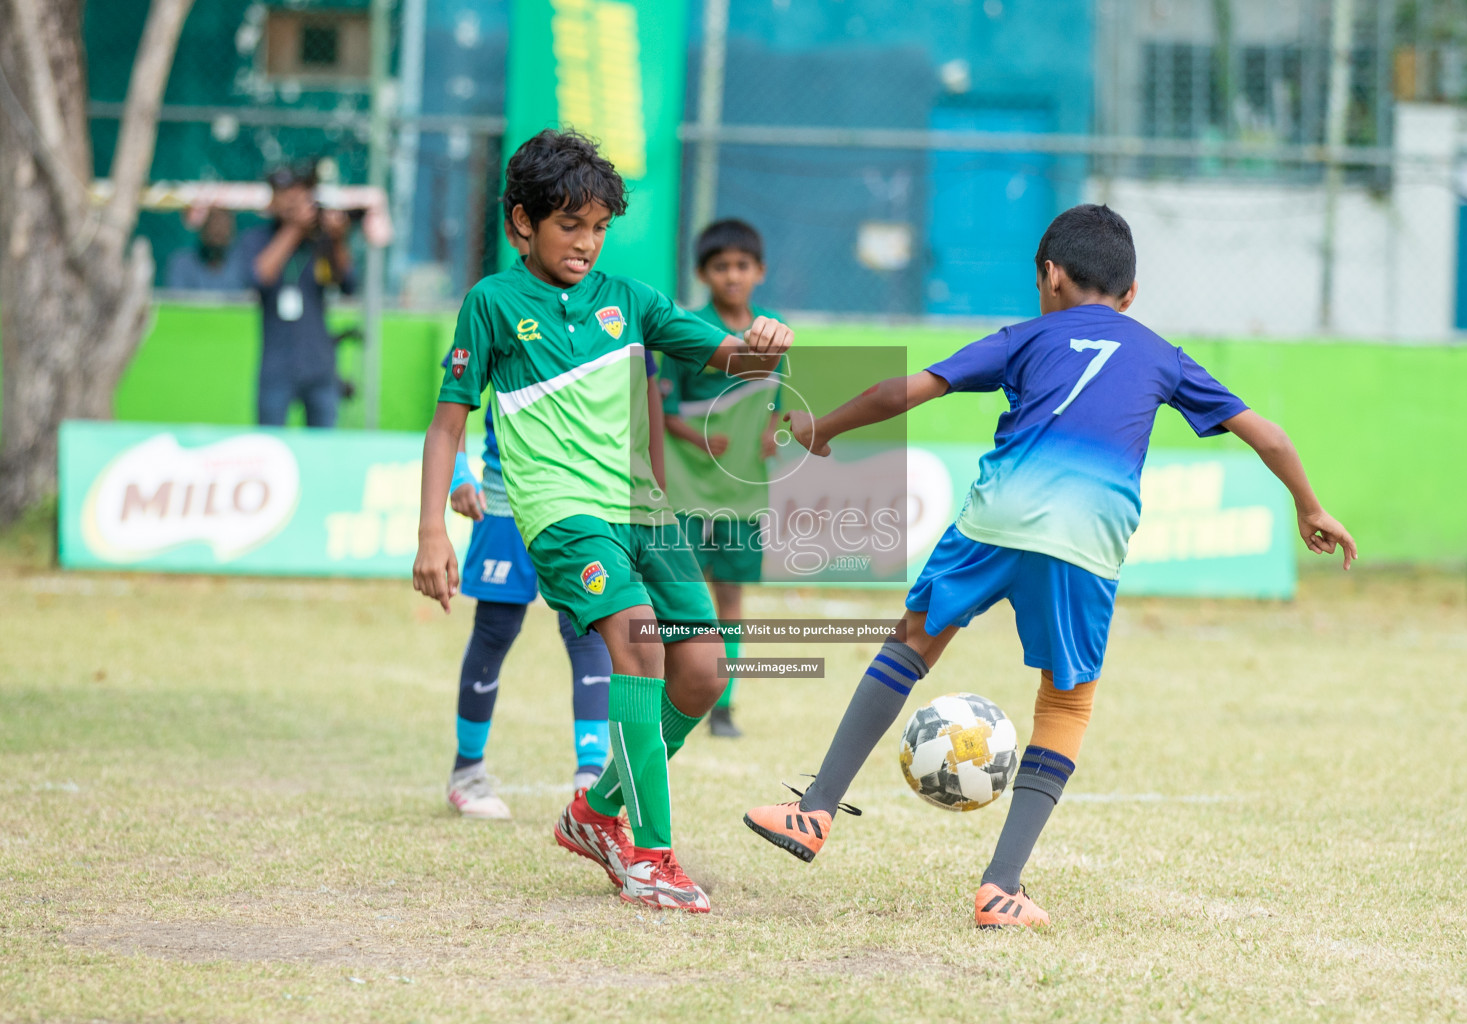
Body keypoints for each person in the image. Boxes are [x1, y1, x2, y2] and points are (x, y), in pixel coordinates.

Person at [742, 204, 1357, 929]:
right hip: (1088, 538)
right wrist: (1310, 508)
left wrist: (822, 427)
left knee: (911, 642)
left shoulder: (1029, 334)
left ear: (1050, 276)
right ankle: (1001, 887)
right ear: (1131, 294)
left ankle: (813, 813)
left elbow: (902, 390)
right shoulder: (1162, 354)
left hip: (999, 514)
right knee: (1065, 702)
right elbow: (1270, 436)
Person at [412, 129, 792, 912]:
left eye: (597, 227)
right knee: (640, 644)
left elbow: (730, 358)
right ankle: (651, 855)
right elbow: (448, 421)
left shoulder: (633, 301)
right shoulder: (490, 304)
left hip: (644, 511)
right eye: (568, 225)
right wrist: (430, 532)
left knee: (703, 670)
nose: (585, 243)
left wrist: (764, 343)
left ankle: (595, 812)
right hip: (562, 514)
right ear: (523, 222)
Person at [442, 338, 669, 816]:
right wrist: (459, 472)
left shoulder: (613, 311)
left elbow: (644, 406)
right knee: (496, 628)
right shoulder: (496, 306)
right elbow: (453, 406)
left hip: (589, 503)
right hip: (508, 501)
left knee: (587, 627)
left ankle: (589, 775)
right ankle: (467, 772)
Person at [659, 218, 783, 738]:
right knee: (682, 596)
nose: (732, 276)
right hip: (686, 493)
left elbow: (780, 405)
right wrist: (700, 439)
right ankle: (678, 695)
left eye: (741, 266)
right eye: (720, 267)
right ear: (702, 274)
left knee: (730, 598)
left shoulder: (774, 334)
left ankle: (724, 705)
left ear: (759, 271)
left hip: (742, 494)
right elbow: (660, 406)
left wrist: (775, 434)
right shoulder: (690, 331)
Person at [235, 162, 355, 428]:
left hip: (319, 365)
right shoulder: (257, 238)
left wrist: (337, 239)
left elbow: (347, 283)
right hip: (277, 365)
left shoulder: (321, 241)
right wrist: (294, 228)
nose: (290, 201)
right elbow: (259, 277)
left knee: (323, 448)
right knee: (269, 444)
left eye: (297, 193)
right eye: (283, 194)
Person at [165, 206, 245, 291]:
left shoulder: (243, 265)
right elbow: (177, 300)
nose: (218, 229)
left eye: (223, 223)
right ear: (202, 228)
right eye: (213, 221)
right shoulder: (181, 263)